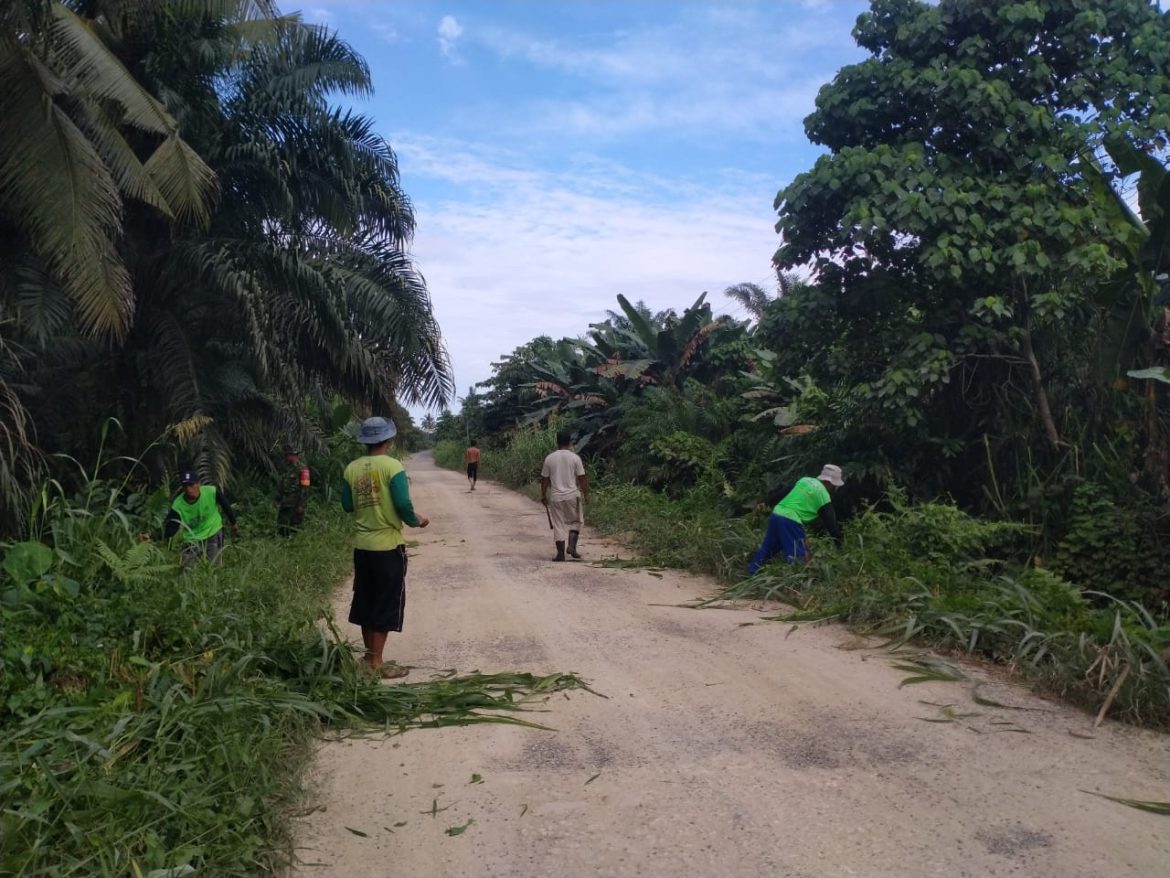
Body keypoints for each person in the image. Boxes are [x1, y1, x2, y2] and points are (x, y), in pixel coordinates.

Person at [341, 416, 429, 678]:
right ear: (388, 440)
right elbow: (403, 504)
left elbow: (347, 505)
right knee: (386, 602)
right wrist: (416, 520)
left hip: (363, 547)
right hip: (388, 547)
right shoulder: (393, 467)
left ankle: (369, 659)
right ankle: (376, 663)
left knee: (366, 600)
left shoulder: (351, 469)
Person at [748, 464, 845, 574]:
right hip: (791, 520)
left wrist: (765, 502)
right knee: (798, 556)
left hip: (777, 513)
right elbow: (832, 527)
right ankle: (794, 586)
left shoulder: (805, 480)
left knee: (768, 547)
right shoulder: (823, 496)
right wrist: (840, 547)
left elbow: (783, 492)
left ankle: (752, 572)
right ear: (831, 483)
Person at [164, 470, 239, 569]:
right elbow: (170, 527)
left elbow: (226, 506)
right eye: (185, 486)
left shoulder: (211, 491)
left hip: (212, 531)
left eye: (191, 485)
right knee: (185, 572)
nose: (189, 489)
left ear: (199, 484)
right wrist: (151, 536)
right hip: (192, 538)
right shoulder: (178, 505)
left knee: (214, 568)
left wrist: (233, 523)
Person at [540, 431, 588, 561]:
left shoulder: (549, 458)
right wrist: (586, 493)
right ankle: (572, 547)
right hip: (572, 495)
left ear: (557, 442)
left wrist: (543, 495)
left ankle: (560, 554)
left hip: (556, 497)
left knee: (558, 524)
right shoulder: (575, 458)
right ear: (569, 442)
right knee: (576, 521)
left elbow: (544, 479)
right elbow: (582, 477)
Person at [275, 445, 310, 536]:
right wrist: (277, 499)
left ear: (294, 455)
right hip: (285, 503)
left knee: (294, 528)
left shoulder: (303, 469)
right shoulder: (285, 467)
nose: (287, 457)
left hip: (296, 504)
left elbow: (305, 489)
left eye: (289, 455)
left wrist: (301, 505)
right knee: (282, 527)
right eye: (287, 455)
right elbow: (281, 484)